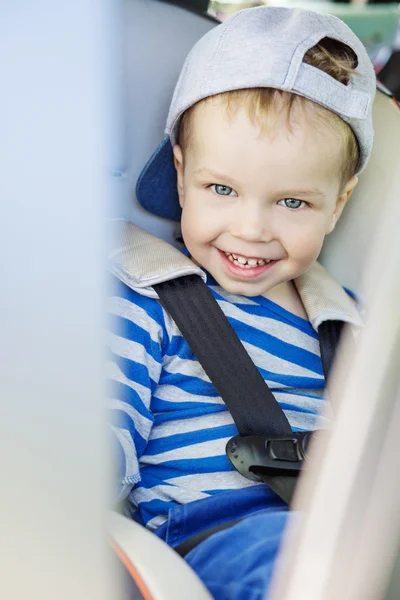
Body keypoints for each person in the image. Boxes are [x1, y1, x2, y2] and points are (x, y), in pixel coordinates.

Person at [109, 6, 376, 599]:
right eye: (222, 189)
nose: (251, 230)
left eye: (293, 203)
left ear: (338, 204)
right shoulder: (146, 300)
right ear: (182, 176)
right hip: (209, 535)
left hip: (346, 531)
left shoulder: (354, 322)